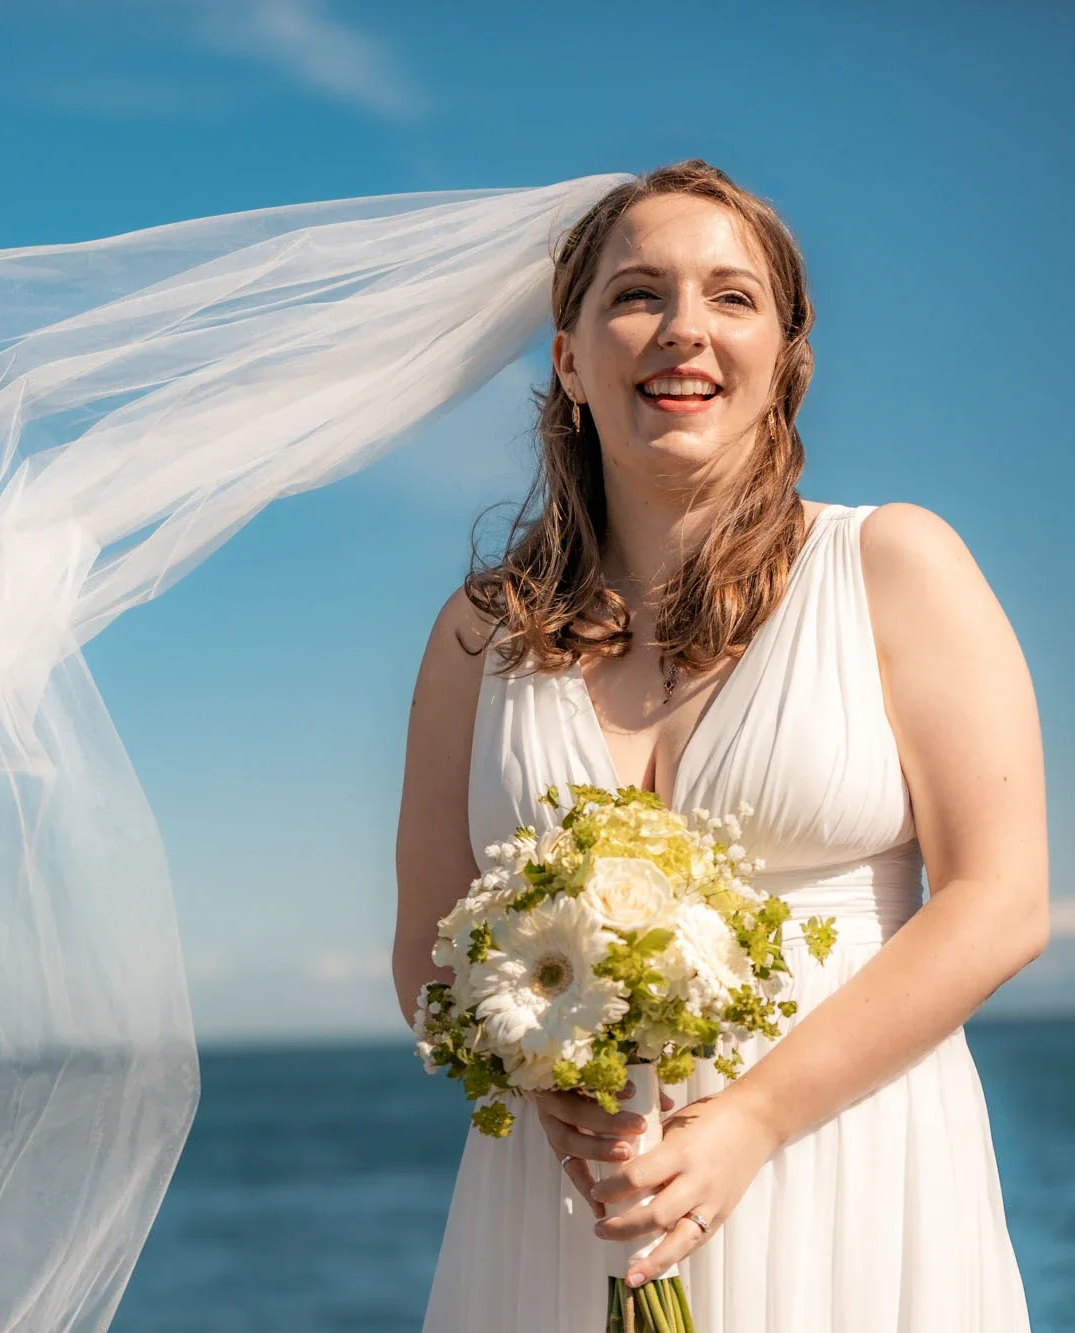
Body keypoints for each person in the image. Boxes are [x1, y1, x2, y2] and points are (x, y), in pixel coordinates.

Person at [392, 161, 1045, 1331]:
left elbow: (998, 900)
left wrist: (750, 1118)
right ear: (567, 360)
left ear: (785, 362)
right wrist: (540, 1083)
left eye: (730, 297)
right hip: (567, 1199)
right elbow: (426, 951)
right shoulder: (474, 636)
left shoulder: (890, 565)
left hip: (845, 1163)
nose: (682, 329)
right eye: (635, 295)